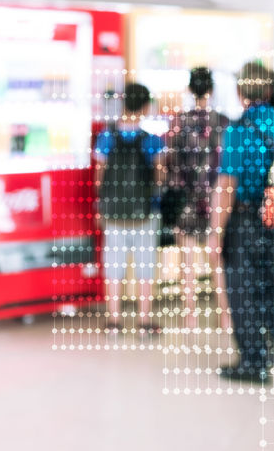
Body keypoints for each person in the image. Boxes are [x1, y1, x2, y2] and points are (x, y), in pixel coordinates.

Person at [210, 61, 274, 383]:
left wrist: (216, 231)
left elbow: (227, 185)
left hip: (246, 217)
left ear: (239, 91)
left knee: (243, 291)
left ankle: (253, 360)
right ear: (267, 89)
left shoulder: (238, 131)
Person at [162, 66, 230, 330]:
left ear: (190, 89)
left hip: (187, 198)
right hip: (216, 198)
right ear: (211, 89)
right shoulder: (224, 123)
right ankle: (225, 317)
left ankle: (190, 316)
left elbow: (171, 162)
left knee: (187, 260)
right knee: (218, 260)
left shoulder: (177, 123)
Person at [94, 82, 165, 332]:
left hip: (113, 211)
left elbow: (99, 174)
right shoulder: (152, 141)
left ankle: (114, 321)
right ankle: (144, 321)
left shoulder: (107, 136)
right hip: (145, 211)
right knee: (145, 265)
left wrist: (99, 203)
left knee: (114, 264)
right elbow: (159, 176)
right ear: (145, 106)